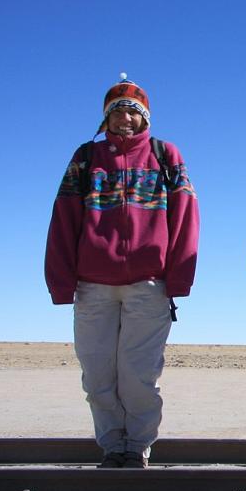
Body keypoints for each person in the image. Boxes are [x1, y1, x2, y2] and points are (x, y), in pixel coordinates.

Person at [44, 74, 199, 469]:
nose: (125, 118)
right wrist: (62, 283)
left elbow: (186, 219)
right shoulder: (86, 158)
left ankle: (138, 449)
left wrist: (177, 278)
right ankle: (113, 446)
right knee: (97, 373)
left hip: (148, 285)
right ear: (106, 119)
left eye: (133, 111)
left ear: (145, 118)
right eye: (117, 111)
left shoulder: (166, 155)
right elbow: (63, 220)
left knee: (138, 375)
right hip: (92, 285)